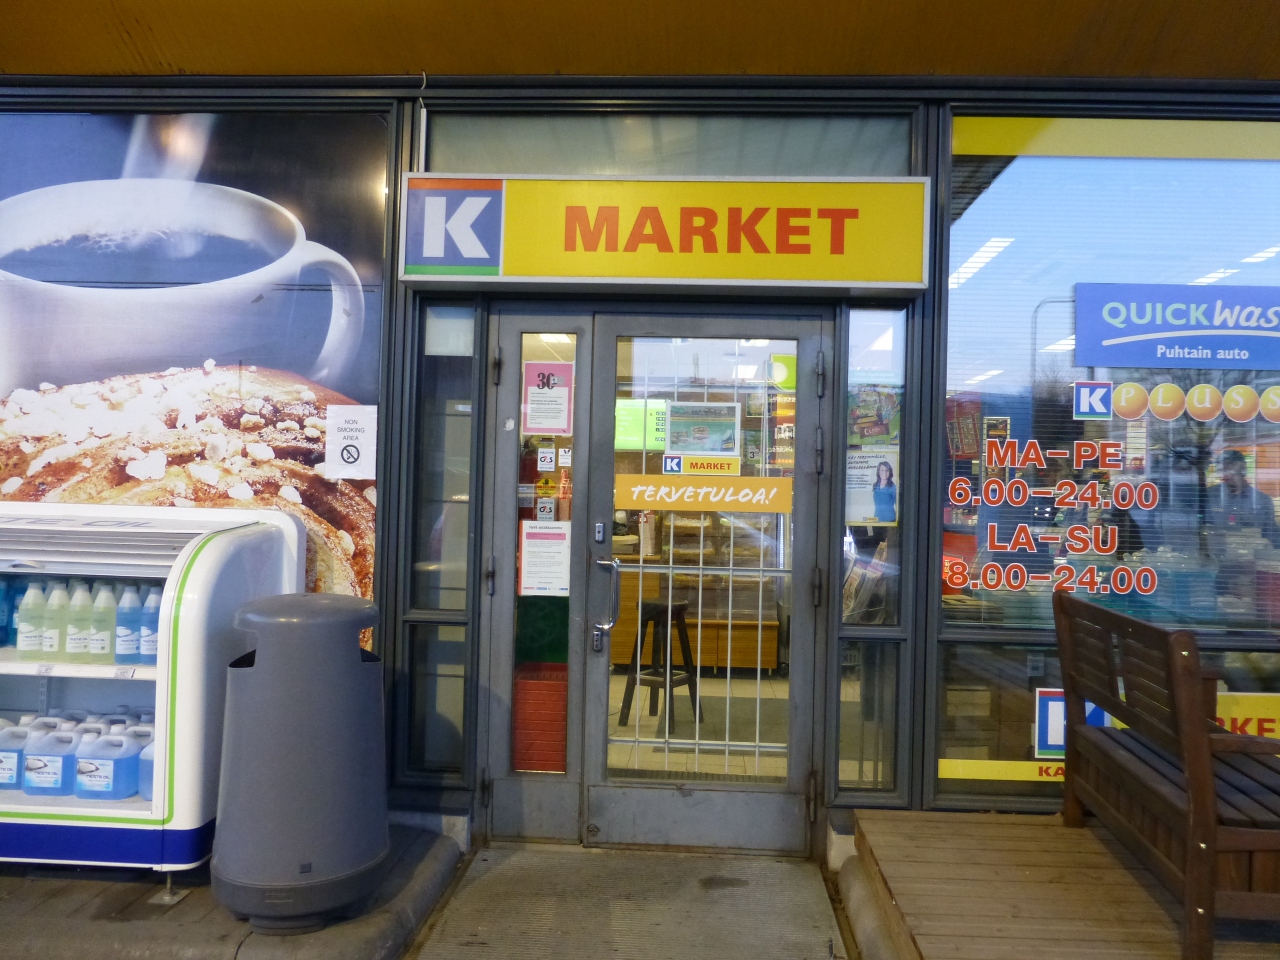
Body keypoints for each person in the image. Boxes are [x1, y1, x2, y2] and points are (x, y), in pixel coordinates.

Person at [1206, 449, 1280, 549]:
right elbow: (1200, 529)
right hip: (1216, 554)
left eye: (1231, 465)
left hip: (1251, 554)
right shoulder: (1209, 496)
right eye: (1222, 467)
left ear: (1242, 467)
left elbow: (1271, 534)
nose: (1227, 471)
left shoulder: (1262, 500)